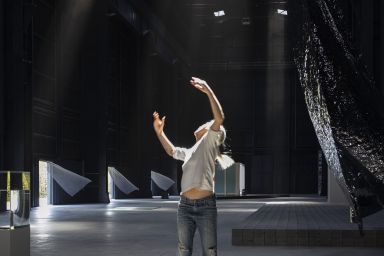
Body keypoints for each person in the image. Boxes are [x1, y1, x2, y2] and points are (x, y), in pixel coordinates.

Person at [152, 77, 233, 256]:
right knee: (183, 250)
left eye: (207, 124)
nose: (202, 125)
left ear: (210, 131)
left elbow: (219, 117)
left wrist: (208, 90)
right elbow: (172, 151)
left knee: (209, 252)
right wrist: (160, 133)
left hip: (206, 207)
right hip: (184, 206)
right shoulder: (190, 151)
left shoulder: (209, 142)